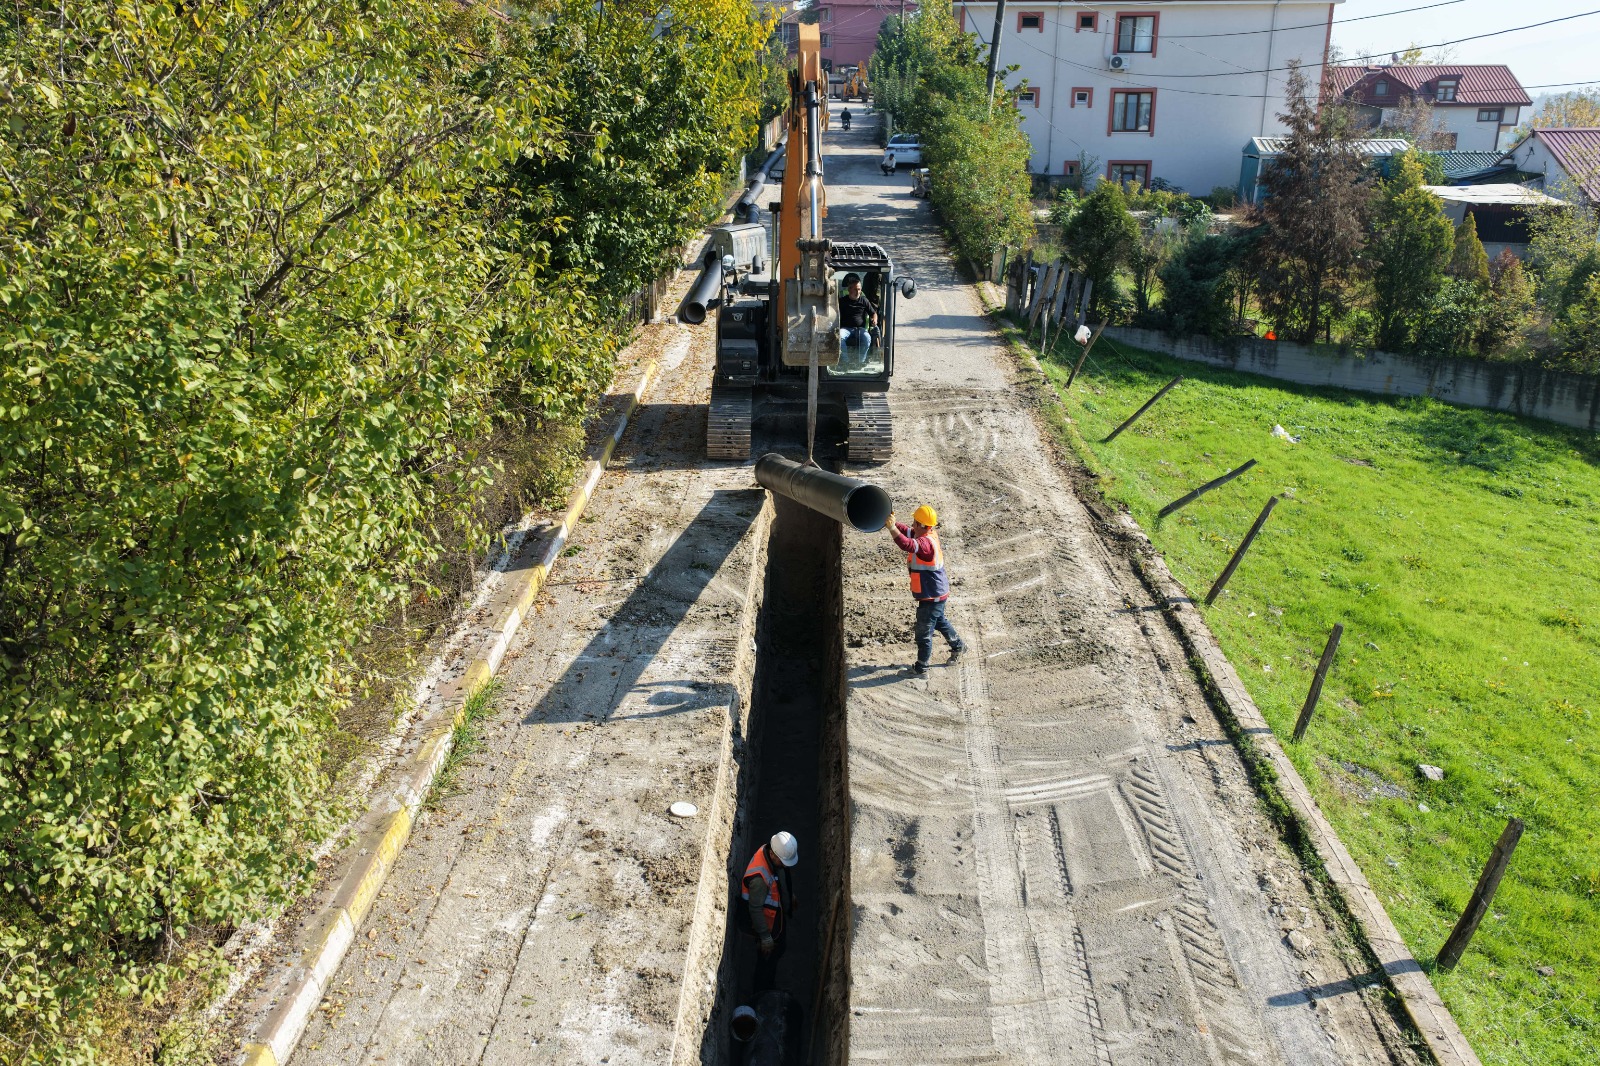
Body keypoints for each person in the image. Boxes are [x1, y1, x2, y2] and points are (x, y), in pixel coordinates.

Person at [883, 505, 965, 675]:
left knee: (923, 632)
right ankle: (959, 646)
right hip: (936, 593)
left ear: (922, 525)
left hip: (931, 595)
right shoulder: (925, 533)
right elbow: (907, 533)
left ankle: (922, 668)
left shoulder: (926, 544)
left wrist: (891, 528)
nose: (912, 525)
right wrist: (894, 523)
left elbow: (907, 544)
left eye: (914, 522)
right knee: (940, 621)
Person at [741, 831, 798, 989]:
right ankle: (761, 991)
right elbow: (755, 909)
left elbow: (780, 878)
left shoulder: (771, 855)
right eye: (784, 861)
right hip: (767, 925)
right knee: (766, 963)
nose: (786, 865)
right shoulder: (759, 879)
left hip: (776, 917)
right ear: (773, 854)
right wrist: (765, 937)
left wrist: (789, 894)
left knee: (778, 951)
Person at [837, 273, 881, 361]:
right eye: (855, 289)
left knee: (867, 338)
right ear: (849, 290)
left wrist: (875, 320)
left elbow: (873, 313)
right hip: (845, 329)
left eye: (859, 289)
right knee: (839, 338)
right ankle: (846, 362)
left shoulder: (864, 300)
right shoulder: (841, 301)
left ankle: (861, 362)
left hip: (860, 329)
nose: (858, 292)